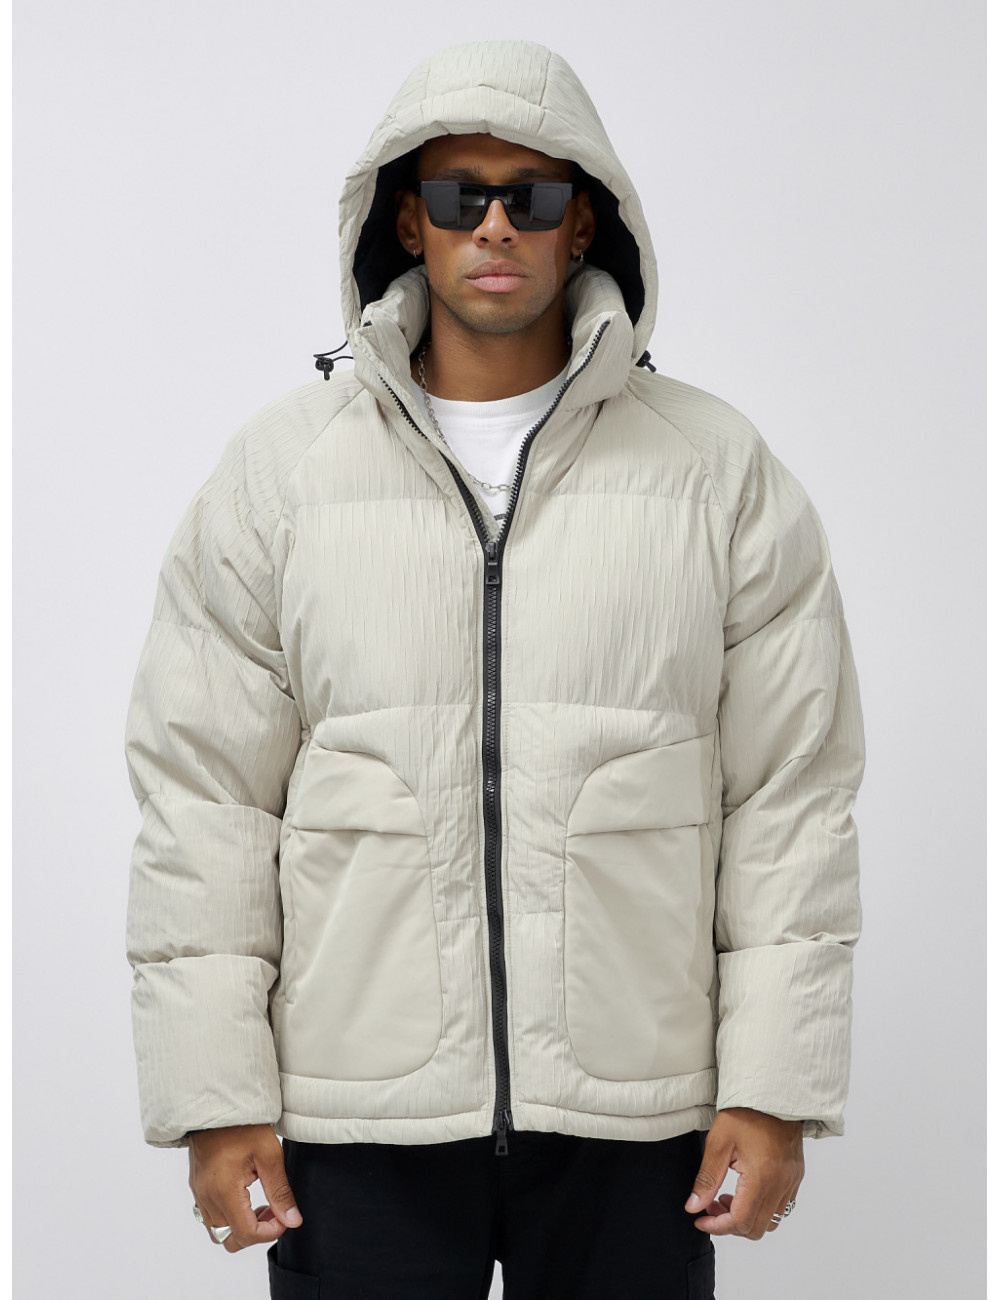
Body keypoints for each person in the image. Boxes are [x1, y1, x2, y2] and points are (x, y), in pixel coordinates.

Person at [124, 38, 865, 1300]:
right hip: (359, 1112)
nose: (495, 226)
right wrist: (215, 1094)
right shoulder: (282, 475)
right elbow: (204, 798)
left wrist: (773, 1087)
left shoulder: (714, 472)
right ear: (408, 220)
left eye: (532, 194)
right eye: (460, 193)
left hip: (636, 1110)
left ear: (583, 223)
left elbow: (790, 792)